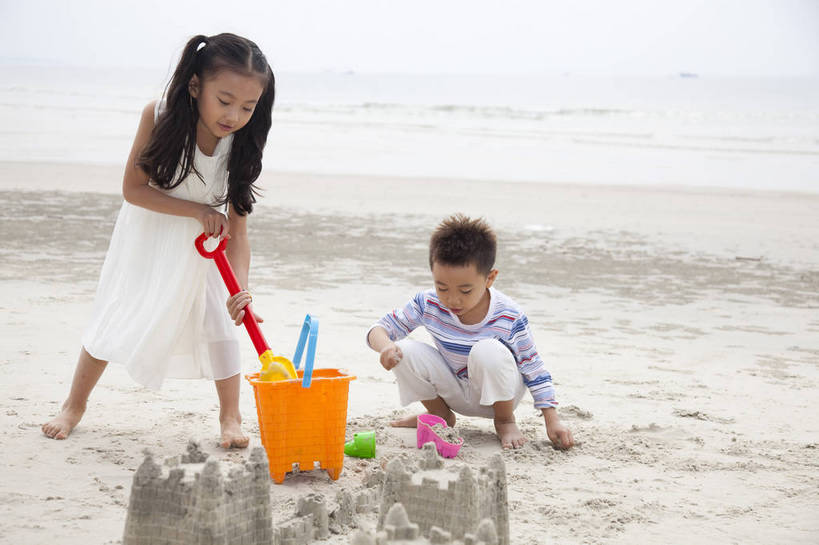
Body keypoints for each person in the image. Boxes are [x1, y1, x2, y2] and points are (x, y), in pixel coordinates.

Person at [41, 33, 276, 448]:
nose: (234, 115)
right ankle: (74, 405)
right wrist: (198, 212)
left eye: (248, 106)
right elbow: (133, 189)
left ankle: (231, 417)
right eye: (225, 101)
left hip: (207, 248)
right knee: (119, 311)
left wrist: (239, 290)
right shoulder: (160, 115)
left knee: (220, 323)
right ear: (195, 86)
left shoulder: (243, 143)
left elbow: (238, 230)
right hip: (149, 233)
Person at [367, 214, 574, 449]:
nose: (452, 299)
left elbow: (533, 367)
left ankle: (505, 422)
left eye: (465, 290)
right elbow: (379, 328)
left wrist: (552, 420)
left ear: (490, 278)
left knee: (487, 350)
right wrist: (385, 347)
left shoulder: (509, 315)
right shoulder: (428, 303)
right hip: (455, 389)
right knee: (403, 350)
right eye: (442, 287)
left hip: (499, 395)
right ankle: (440, 416)